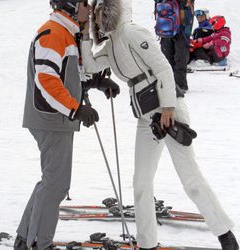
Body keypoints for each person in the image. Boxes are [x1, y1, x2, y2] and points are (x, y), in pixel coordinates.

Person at [81, 0, 239, 250]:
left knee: (190, 177)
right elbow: (90, 65)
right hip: (146, 118)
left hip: (169, 111)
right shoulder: (110, 45)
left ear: (112, 10)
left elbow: (164, 67)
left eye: (99, 12)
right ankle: (147, 243)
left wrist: (168, 107)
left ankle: (225, 234)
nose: (96, 18)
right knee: (141, 182)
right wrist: (84, 35)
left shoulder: (133, 32)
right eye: (94, 15)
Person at [15, 0, 120, 249]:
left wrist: (96, 82)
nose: (89, 8)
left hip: (56, 118)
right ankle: (39, 242)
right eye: (84, 3)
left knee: (51, 181)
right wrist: (76, 109)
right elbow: (47, 81)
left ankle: (25, 237)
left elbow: (68, 75)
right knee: (56, 183)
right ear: (71, 6)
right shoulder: (52, 33)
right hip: (51, 119)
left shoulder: (66, 33)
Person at [156, 0, 195, 91]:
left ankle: (180, 85)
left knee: (180, 57)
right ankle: (169, 84)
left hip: (182, 27)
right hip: (166, 27)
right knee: (167, 58)